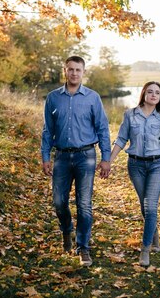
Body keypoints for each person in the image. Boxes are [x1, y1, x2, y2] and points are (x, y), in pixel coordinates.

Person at [41, 55, 112, 267]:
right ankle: (66, 231)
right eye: (70, 69)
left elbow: (102, 129)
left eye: (77, 70)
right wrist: (45, 157)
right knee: (59, 202)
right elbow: (48, 130)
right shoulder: (53, 98)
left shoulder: (92, 98)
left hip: (86, 157)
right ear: (65, 71)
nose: (74, 73)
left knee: (84, 204)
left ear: (83, 72)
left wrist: (106, 158)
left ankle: (83, 247)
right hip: (61, 156)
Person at [110, 81, 160, 267]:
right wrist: (108, 161)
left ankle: (145, 250)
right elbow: (121, 139)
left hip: (156, 166)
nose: (153, 95)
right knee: (145, 208)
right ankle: (155, 237)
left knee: (151, 206)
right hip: (135, 165)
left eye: (157, 93)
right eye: (150, 92)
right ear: (144, 94)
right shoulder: (130, 115)